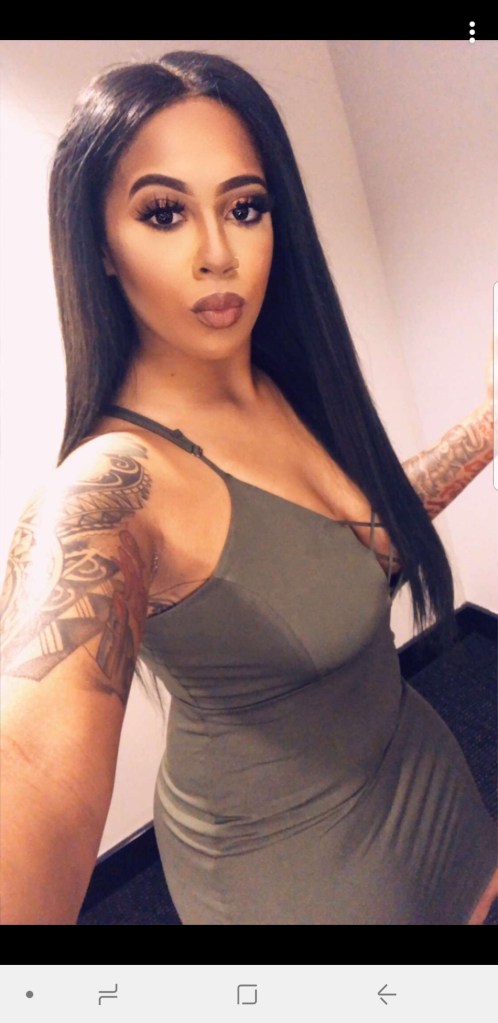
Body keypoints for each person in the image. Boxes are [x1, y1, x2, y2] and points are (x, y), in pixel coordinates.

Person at [0, 50, 496, 925]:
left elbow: (352, 540)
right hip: (299, 877)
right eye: (164, 213)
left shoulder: (274, 377)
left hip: (423, 778)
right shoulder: (109, 489)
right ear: (100, 246)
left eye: (244, 207)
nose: (219, 254)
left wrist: (488, 425)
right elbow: (29, 767)